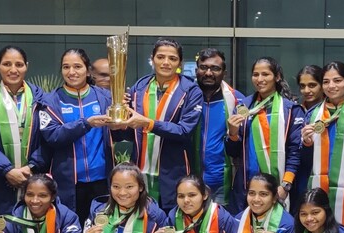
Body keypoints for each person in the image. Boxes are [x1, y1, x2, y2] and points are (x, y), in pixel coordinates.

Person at [118, 38, 202, 213]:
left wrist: (147, 123)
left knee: (172, 224)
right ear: (152, 58)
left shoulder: (191, 90)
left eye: (172, 58)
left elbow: (184, 131)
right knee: (143, 224)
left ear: (179, 62)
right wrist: (119, 120)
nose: (166, 62)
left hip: (173, 170)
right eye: (160, 57)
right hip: (141, 169)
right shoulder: (140, 86)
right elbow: (130, 128)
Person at [0, 46, 49, 217]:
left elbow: (49, 138)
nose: (13, 70)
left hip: (33, 179)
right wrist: (7, 170)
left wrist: (32, 167)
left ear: (26, 66)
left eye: (19, 64)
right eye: (7, 64)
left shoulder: (40, 98)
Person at [39, 48, 113, 222]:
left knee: (101, 230)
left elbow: (119, 133)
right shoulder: (51, 100)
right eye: (66, 67)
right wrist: (86, 123)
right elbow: (53, 136)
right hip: (69, 183)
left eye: (77, 66)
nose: (71, 72)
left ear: (88, 70)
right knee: (72, 230)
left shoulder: (104, 97)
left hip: (101, 179)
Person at [226, 57, 302, 210]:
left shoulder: (290, 110)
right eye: (255, 74)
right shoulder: (243, 108)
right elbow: (233, 153)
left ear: (277, 76)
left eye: (265, 74)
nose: (259, 79)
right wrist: (233, 134)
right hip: (247, 187)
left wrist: (285, 185)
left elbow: (295, 152)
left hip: (278, 186)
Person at [299, 61, 344, 227]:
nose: (331, 86)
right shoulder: (313, 114)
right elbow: (305, 161)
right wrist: (306, 142)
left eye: (338, 80)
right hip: (321, 183)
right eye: (326, 82)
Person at [192, 48, 245, 213]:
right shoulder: (185, 98)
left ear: (224, 72)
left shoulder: (237, 100)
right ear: (196, 70)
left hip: (223, 182)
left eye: (215, 68)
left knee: (221, 230)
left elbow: (241, 146)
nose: (208, 72)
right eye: (203, 67)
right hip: (190, 179)